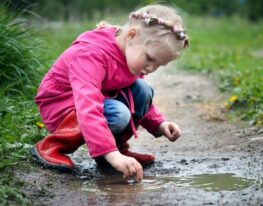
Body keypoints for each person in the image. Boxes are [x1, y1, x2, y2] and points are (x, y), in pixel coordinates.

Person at [32, 4, 189, 181]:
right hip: (62, 106)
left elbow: (133, 95)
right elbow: (88, 106)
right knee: (119, 114)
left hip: (99, 101)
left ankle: (114, 151)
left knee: (142, 90)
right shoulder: (92, 55)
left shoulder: (130, 52)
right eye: (150, 58)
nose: (151, 68)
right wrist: (111, 154)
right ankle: (53, 146)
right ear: (131, 35)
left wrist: (159, 123)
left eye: (159, 65)